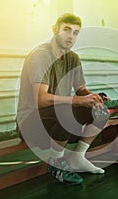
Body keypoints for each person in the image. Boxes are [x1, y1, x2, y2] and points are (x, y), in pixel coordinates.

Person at [16, 13, 109, 185]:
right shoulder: (40, 56)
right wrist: (78, 101)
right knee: (65, 110)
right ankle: (56, 164)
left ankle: (78, 158)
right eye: (67, 30)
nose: (70, 36)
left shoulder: (72, 58)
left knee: (101, 111)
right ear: (55, 29)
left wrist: (94, 98)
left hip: (57, 120)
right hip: (30, 123)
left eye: (75, 32)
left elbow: (80, 90)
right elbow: (41, 100)